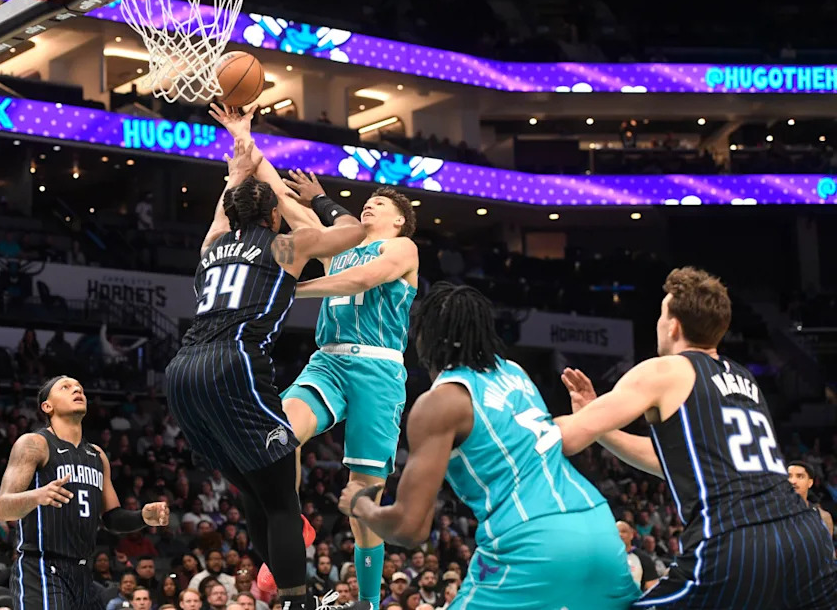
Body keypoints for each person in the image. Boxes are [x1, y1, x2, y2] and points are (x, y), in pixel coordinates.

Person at [210, 104, 419, 610]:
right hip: (328, 360)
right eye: (365, 203)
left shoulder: (403, 250)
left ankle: (368, 601)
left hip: (377, 368)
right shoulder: (335, 245)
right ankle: (290, 524)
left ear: (400, 220)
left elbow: (362, 280)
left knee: (361, 500)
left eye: (379, 204)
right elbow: (278, 193)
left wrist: (294, 290)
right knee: (275, 434)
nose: (369, 208)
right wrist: (244, 135)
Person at [340, 283, 639, 610]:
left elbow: (410, 529)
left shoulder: (440, 403)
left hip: (531, 540)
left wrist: (361, 505)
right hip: (600, 527)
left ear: (427, 336)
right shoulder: (515, 373)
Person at [557, 267, 837, 609]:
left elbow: (568, 438)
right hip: (806, 539)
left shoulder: (665, 369)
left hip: (737, 542)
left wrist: (505, 419)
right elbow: (679, 465)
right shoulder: (745, 378)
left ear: (673, 325)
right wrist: (600, 427)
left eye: (661, 314)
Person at [165, 133, 366, 610]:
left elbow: (222, 209)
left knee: (257, 492)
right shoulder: (284, 246)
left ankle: (294, 597)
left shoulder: (212, 245)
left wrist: (237, 165)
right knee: (281, 500)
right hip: (232, 365)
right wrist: (318, 200)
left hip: (182, 373)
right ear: (273, 214)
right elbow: (355, 232)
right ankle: (298, 603)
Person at [0, 375, 169, 610]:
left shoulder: (97, 455)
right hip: (42, 568)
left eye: (80, 388)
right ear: (47, 406)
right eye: (66, 387)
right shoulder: (34, 444)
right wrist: (37, 495)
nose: (77, 390)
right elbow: (3, 509)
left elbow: (111, 518)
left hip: (83, 572)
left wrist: (142, 517)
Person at [788, 460, 836, 553]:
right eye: (789, 476)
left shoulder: (823, 517)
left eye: (800, 476)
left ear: (810, 483)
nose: (793, 481)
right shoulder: (774, 511)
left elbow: (829, 555)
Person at [616, 521, 658, 591]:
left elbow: (652, 588)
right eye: (616, 532)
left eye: (624, 531)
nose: (620, 534)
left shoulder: (644, 558)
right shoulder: (606, 559)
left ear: (631, 535)